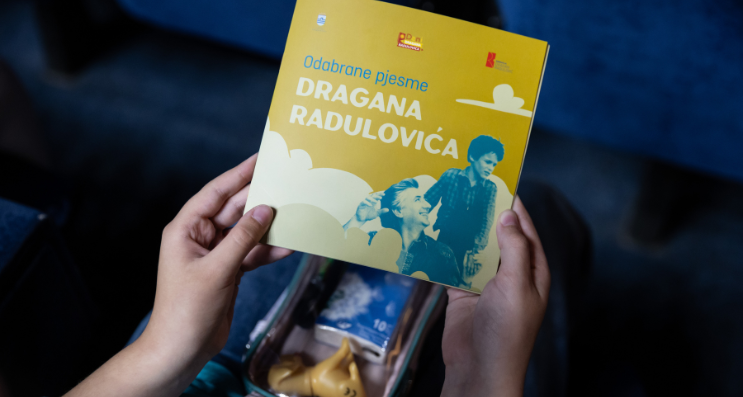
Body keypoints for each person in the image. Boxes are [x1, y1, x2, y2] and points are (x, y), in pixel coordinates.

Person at [63, 155, 551, 397]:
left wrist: (167, 348)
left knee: (287, 250)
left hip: (203, 378)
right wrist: (481, 380)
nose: (425, 204)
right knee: (548, 211)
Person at [343, 178, 468, 288]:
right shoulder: (371, 240)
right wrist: (358, 220)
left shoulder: (443, 254)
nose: (428, 205)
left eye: (424, 199)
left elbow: (448, 295)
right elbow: (338, 249)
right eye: (418, 200)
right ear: (398, 211)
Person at [425, 135, 504, 278]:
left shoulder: (489, 188)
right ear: (473, 156)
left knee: (457, 279)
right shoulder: (451, 175)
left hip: (469, 246)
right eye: (487, 162)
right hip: (444, 238)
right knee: (434, 273)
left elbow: (487, 220)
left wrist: (477, 249)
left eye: (494, 165)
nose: (490, 168)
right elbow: (427, 202)